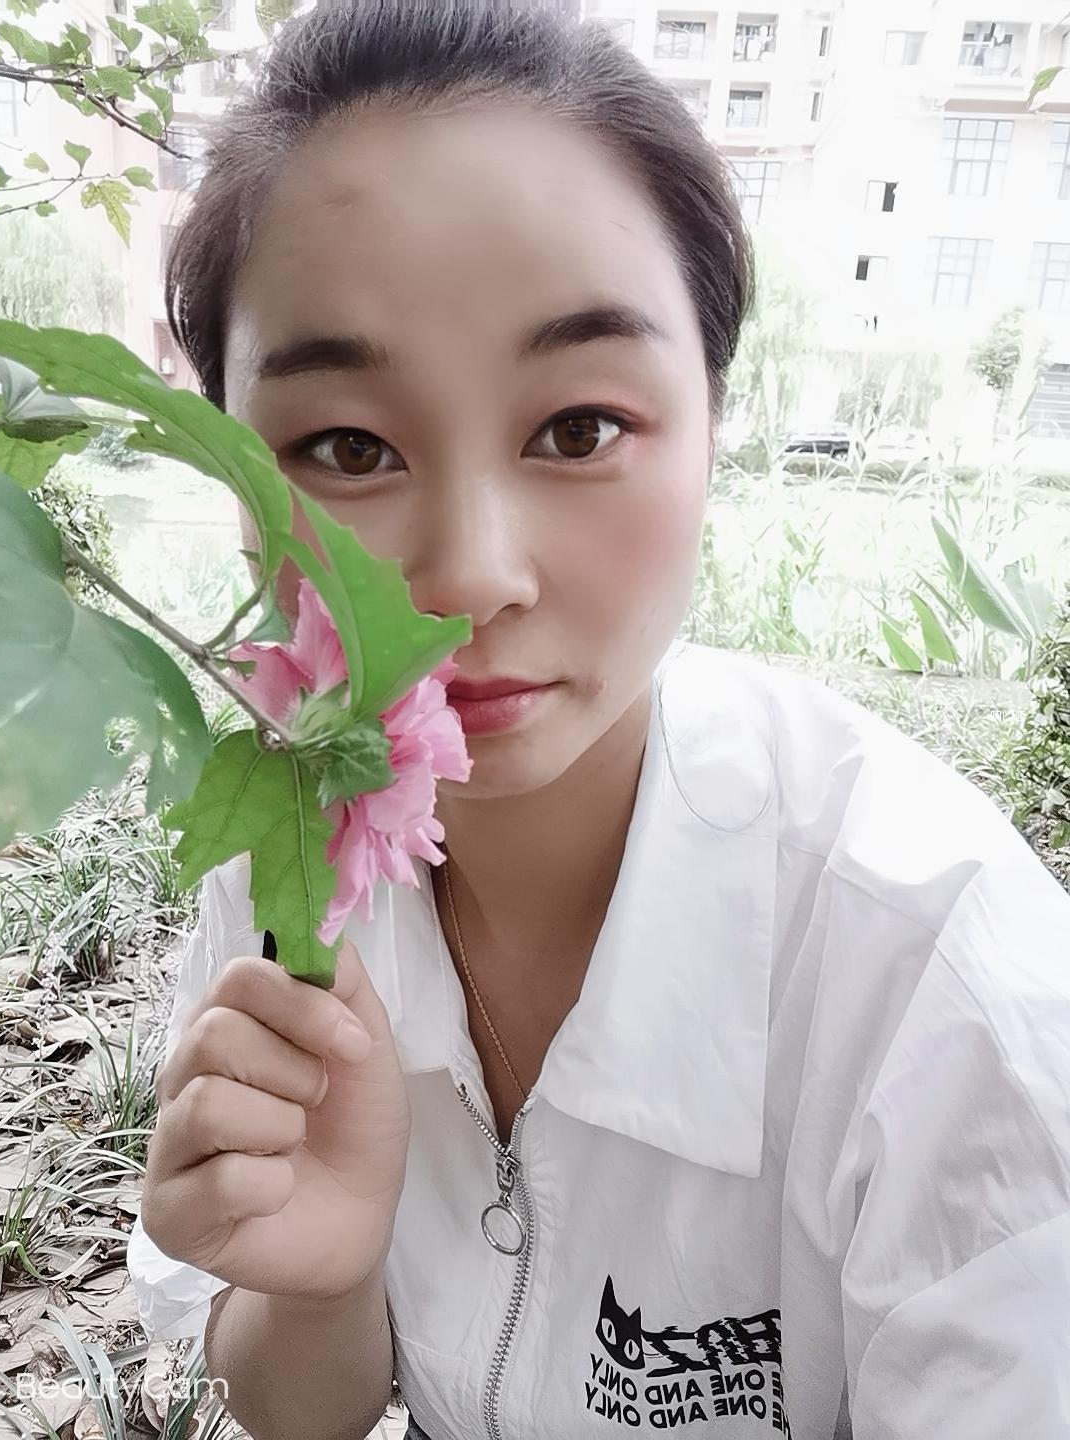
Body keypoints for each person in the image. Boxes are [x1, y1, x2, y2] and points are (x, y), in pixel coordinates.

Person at [127, 2, 1070, 1437]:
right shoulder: (289, 854)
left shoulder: (942, 994)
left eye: (578, 429)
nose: (469, 576)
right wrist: (323, 1290)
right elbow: (294, 1406)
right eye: (346, 446)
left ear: (714, 422)